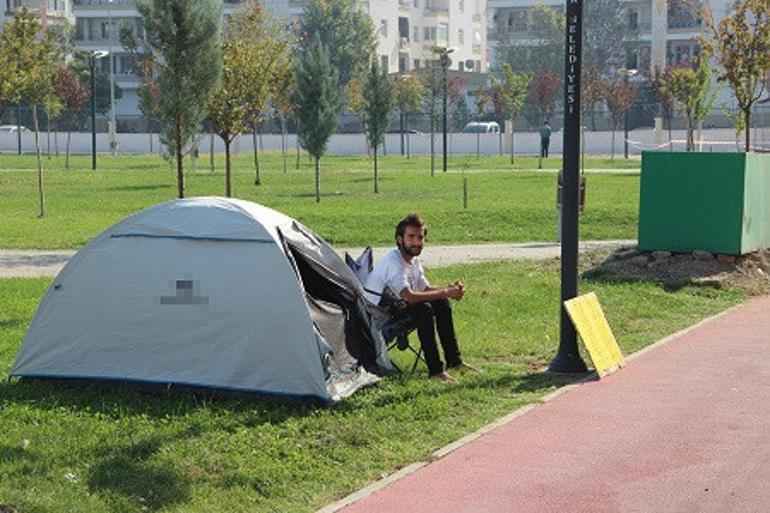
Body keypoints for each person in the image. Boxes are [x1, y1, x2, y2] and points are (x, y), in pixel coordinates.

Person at [364, 213, 477, 383]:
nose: (417, 242)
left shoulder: (413, 261)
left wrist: (449, 290)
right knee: (424, 310)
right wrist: (446, 292)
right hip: (378, 321)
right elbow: (409, 297)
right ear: (399, 239)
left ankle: (455, 361)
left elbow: (425, 289)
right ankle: (436, 371)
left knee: (441, 302)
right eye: (411, 237)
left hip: (396, 309)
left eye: (420, 237)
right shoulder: (393, 262)